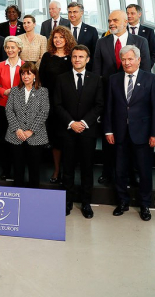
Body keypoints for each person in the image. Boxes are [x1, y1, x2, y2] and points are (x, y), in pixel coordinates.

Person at [93, 9, 151, 184]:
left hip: (134, 99)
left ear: (126, 22)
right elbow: (96, 72)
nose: (111, 23)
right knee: (109, 137)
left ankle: (134, 173)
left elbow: (146, 70)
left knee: (134, 137)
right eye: (109, 20)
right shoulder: (101, 42)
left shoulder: (141, 41)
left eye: (115, 20)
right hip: (109, 98)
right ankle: (108, 172)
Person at [104, 45, 155, 222]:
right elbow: (108, 107)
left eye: (130, 59)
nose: (127, 62)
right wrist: (108, 130)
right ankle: (122, 202)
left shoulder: (151, 79)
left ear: (139, 60)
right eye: (124, 59)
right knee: (120, 170)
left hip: (143, 134)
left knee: (144, 172)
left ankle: (145, 205)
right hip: (119, 133)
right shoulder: (114, 79)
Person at [53, 45, 104, 218]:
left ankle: (86, 203)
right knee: (67, 168)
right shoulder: (61, 79)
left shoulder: (96, 79)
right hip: (67, 130)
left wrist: (83, 123)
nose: (77, 59)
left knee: (87, 169)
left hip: (87, 131)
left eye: (81, 57)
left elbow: (99, 105)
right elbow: (57, 104)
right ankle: (67, 202)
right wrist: (71, 123)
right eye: (74, 56)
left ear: (87, 59)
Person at [39, 26, 76, 183]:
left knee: (68, 139)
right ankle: (56, 171)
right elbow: (41, 79)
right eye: (55, 37)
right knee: (55, 139)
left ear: (67, 38)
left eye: (61, 37)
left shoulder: (73, 56)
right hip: (51, 103)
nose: (58, 40)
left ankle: (68, 172)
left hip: (70, 104)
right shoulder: (47, 56)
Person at [5, 62, 50, 188]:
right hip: (16, 136)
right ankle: (18, 196)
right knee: (17, 170)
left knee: (34, 170)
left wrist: (31, 130)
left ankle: (33, 196)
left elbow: (44, 112)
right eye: (23, 74)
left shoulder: (43, 91)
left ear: (35, 75)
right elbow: (9, 110)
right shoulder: (14, 91)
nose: (25, 76)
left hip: (35, 137)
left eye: (29, 74)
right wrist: (17, 129)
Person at [0, 36, 25, 181]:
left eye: (13, 47)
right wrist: (3, 91)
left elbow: (29, 85)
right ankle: (5, 170)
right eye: (7, 47)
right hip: (3, 106)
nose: (10, 50)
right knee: (3, 140)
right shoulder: (0, 65)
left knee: (18, 141)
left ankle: (18, 171)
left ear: (19, 48)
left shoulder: (24, 65)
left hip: (20, 109)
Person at [66, 2, 99, 70]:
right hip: (66, 69)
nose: (72, 15)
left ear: (81, 13)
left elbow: (95, 53)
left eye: (75, 12)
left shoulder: (91, 31)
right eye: (70, 12)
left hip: (86, 69)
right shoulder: (63, 30)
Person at [126, 3, 155, 68]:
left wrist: (147, 67)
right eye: (127, 13)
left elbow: (153, 52)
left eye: (132, 13)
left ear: (139, 14)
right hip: (126, 67)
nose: (129, 16)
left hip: (143, 68)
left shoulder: (149, 31)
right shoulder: (123, 31)